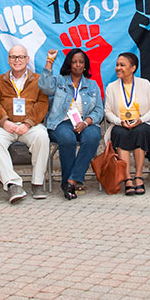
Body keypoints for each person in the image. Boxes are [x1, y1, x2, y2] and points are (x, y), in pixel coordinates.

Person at [0, 45, 50, 203]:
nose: (17, 60)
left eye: (21, 57)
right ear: (8, 60)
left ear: (27, 59)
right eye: (13, 57)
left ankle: (37, 182)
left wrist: (28, 124)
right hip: (6, 126)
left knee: (42, 136)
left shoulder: (37, 80)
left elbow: (42, 104)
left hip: (30, 125)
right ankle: (12, 184)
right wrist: (5, 122)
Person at [39, 48, 104, 200]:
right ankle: (69, 183)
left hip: (85, 122)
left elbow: (99, 111)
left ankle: (71, 181)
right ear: (69, 64)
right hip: (62, 122)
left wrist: (86, 122)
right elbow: (44, 86)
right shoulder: (59, 81)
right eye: (74, 62)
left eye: (81, 62)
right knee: (67, 139)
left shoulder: (92, 85)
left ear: (85, 65)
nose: (77, 65)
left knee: (93, 137)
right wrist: (49, 61)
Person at [104, 52, 150, 195]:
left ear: (133, 68)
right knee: (121, 133)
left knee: (140, 131)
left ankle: (138, 176)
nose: (118, 68)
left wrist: (142, 119)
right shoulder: (111, 87)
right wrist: (119, 122)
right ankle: (127, 178)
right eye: (117, 65)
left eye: (122, 65)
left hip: (141, 122)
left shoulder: (144, 84)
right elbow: (108, 111)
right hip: (120, 124)